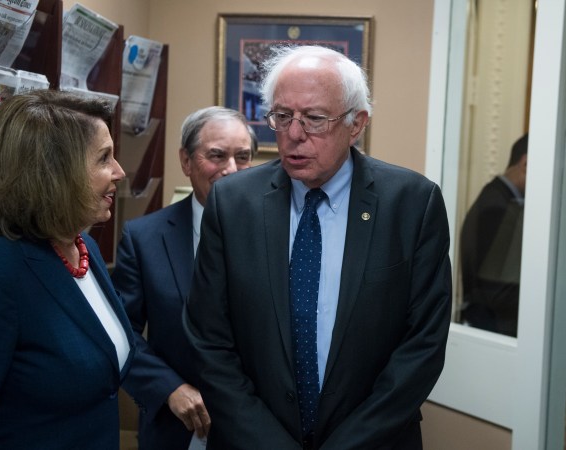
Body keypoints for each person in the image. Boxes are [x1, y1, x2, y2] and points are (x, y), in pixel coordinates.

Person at [183, 45, 452, 449]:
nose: (293, 135)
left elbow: (422, 347)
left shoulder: (412, 204)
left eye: (314, 119)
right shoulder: (232, 203)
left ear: (356, 124)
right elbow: (209, 340)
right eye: (282, 116)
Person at [0, 89, 134, 448]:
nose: (120, 172)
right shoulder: (1, 270)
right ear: (55, 173)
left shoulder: (86, 248)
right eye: (104, 158)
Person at [111, 106, 258, 450]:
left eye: (243, 156)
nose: (231, 169)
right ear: (186, 161)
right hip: (177, 428)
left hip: (258, 428)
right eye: (217, 156)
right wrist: (167, 387)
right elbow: (120, 331)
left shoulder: (281, 234)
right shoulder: (144, 238)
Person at [459, 134, 528, 336]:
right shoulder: (497, 206)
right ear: (526, 163)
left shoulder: (497, 198)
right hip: (494, 328)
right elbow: (496, 289)